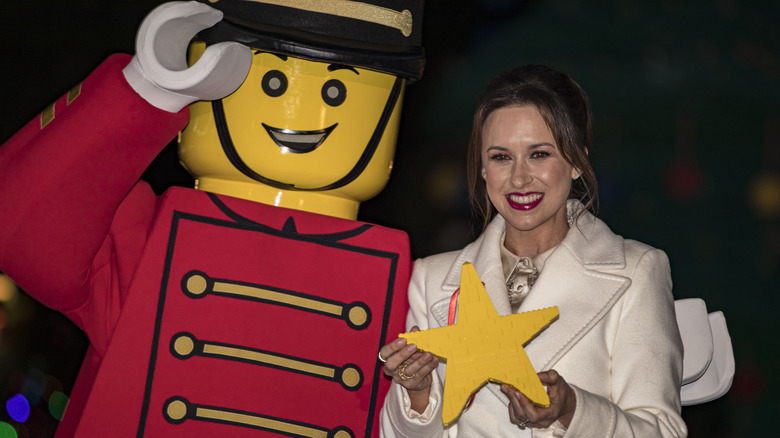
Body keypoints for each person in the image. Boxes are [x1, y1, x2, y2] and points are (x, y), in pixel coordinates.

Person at [377, 65, 687, 437]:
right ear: (482, 169)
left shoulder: (637, 271)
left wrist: (572, 410)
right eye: (501, 157)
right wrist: (418, 393)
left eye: (539, 154)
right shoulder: (430, 278)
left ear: (575, 162)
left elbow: (663, 430)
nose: (519, 178)